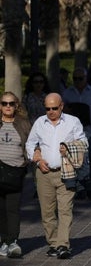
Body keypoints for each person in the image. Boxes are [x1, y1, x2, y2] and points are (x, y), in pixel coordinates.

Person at [26, 93, 88, 260]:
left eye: (54, 108)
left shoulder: (73, 121)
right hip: (44, 173)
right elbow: (30, 143)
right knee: (47, 212)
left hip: (65, 172)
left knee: (65, 209)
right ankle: (53, 243)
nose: (51, 111)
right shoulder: (40, 122)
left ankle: (63, 245)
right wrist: (37, 159)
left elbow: (84, 143)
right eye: (47, 108)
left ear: (61, 106)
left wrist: (69, 147)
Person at [62, 68, 91, 200]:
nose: (78, 81)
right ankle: (80, 188)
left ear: (86, 78)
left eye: (81, 78)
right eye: (75, 79)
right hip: (73, 134)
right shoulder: (67, 93)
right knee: (76, 162)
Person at [0, 92, 31, 258]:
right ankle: (3, 241)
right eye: (4, 103)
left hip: (16, 172)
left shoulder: (24, 124)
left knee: (13, 209)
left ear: (16, 105)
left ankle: (12, 242)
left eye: (11, 103)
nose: (8, 107)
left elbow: (31, 145)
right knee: (1, 210)